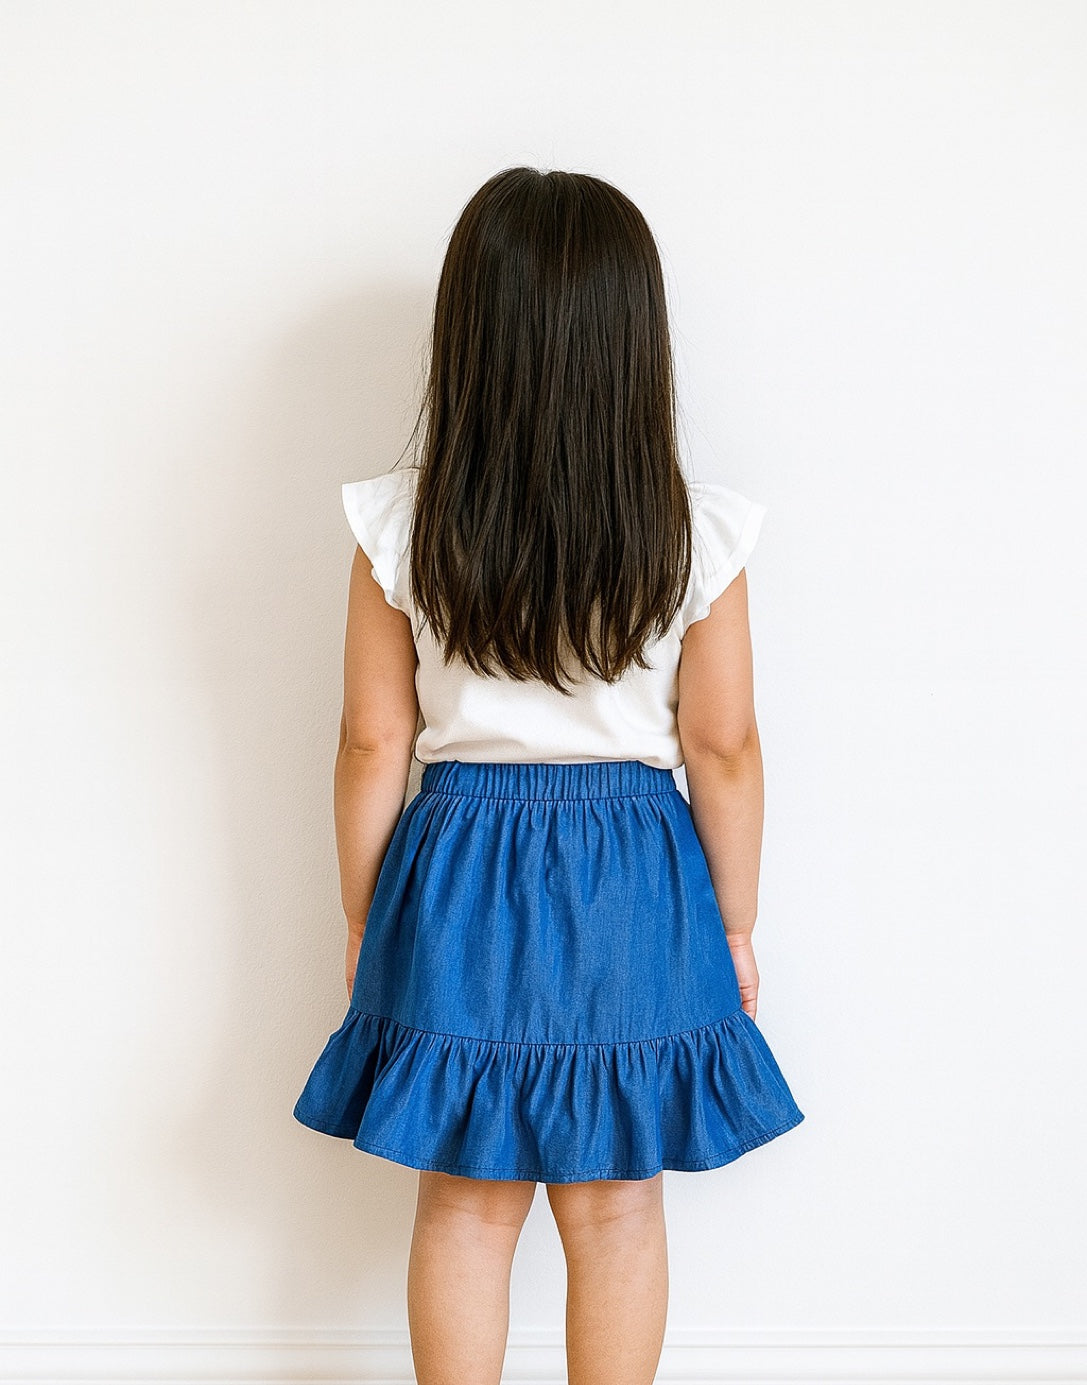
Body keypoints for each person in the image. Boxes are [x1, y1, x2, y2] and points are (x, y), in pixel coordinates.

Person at [293, 166, 805, 1385]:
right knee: (617, 1203)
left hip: (457, 871)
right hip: (634, 877)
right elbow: (723, 746)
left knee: (465, 1201)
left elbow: (370, 741)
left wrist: (364, 912)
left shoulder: (399, 527)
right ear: (634, 343)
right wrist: (733, 923)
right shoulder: (696, 532)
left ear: (469, 337)